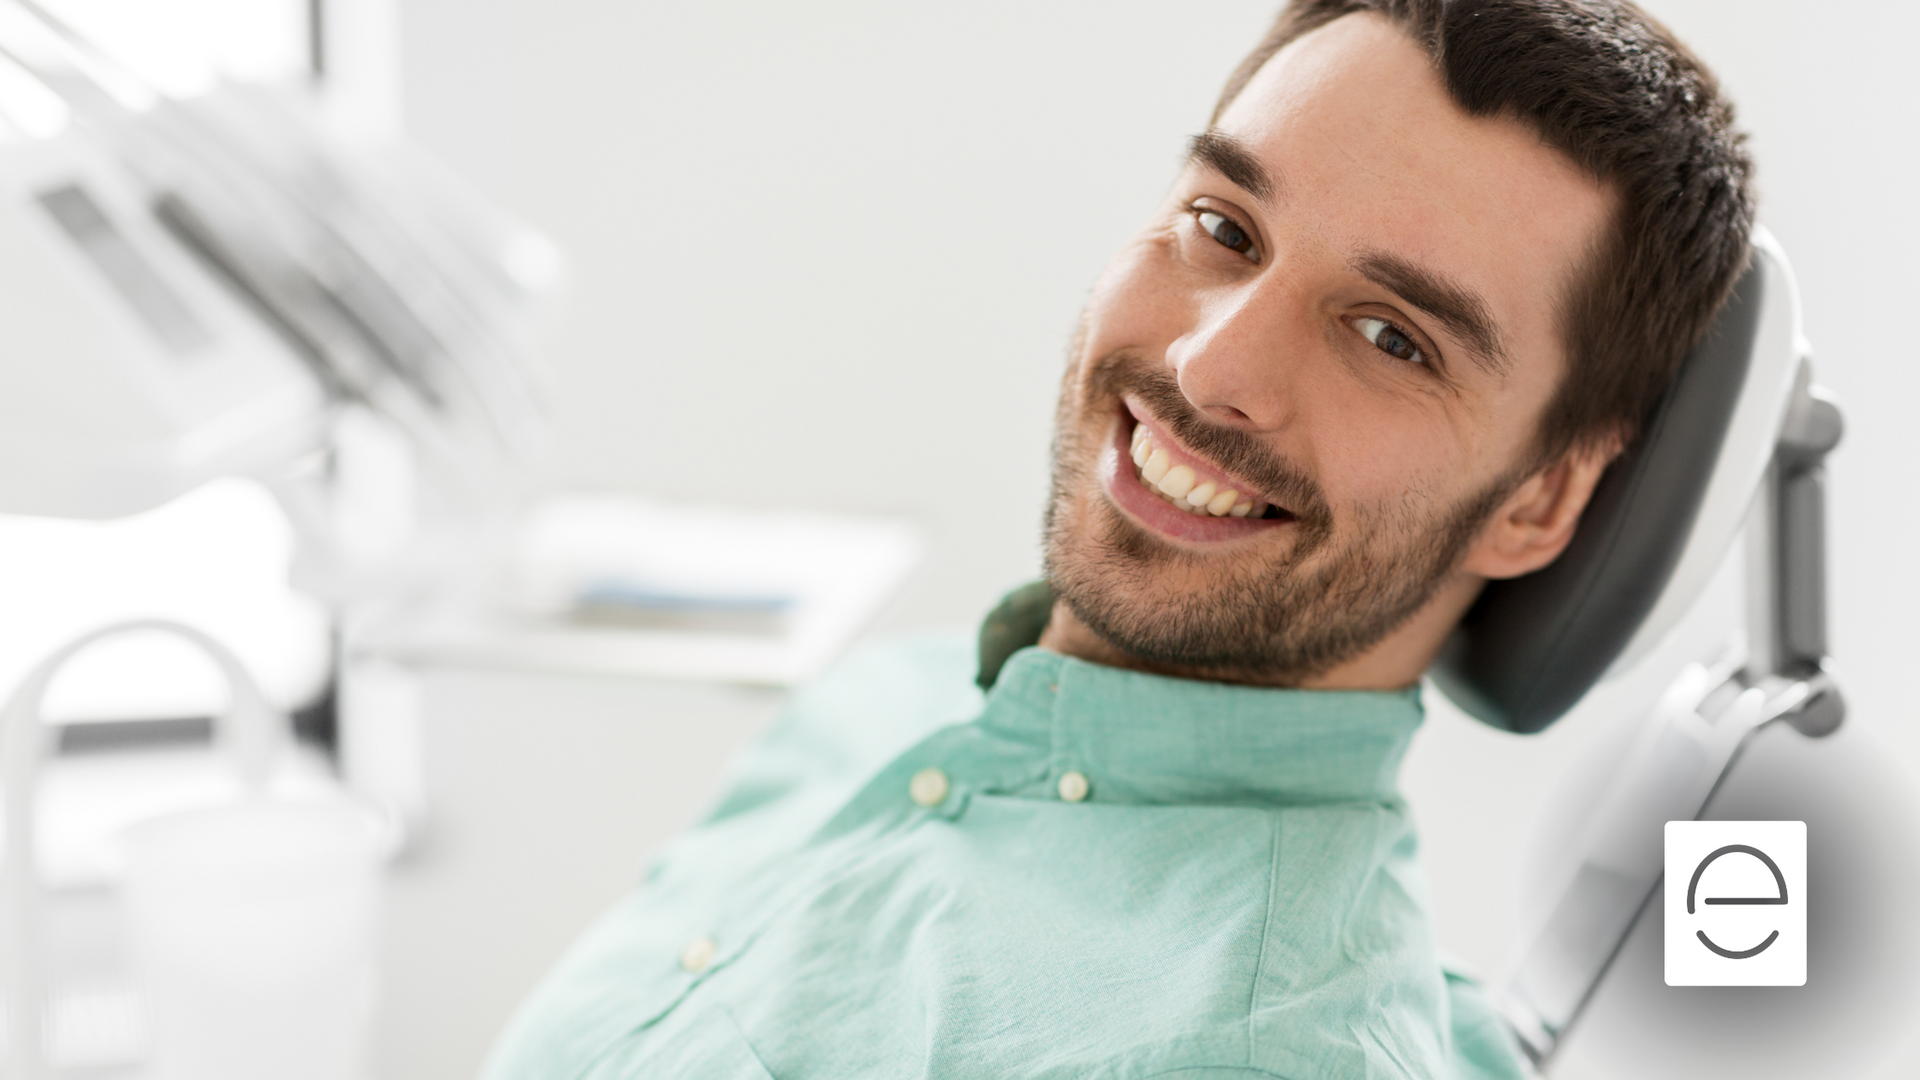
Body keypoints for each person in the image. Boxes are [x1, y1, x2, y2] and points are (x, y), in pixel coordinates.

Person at [483, 1, 1753, 1076]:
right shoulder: (889, 704)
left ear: (1541, 502)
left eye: (1391, 339)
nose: (1209, 365)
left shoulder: (1252, 1045)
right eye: (1225, 228)